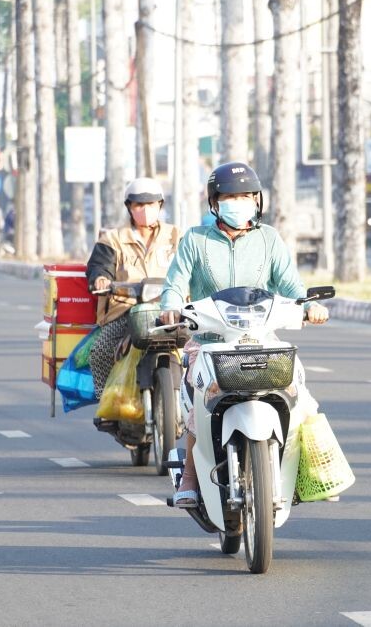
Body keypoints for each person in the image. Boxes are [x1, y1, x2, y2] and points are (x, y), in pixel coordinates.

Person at [158, 161, 329, 508]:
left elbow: (291, 286)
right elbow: (175, 283)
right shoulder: (196, 240)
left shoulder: (269, 239)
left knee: (300, 394)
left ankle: (307, 471)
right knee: (201, 398)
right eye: (230, 197)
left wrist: (309, 306)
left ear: (257, 201)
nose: (240, 203)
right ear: (215, 202)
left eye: (247, 196)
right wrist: (171, 307)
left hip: (261, 341)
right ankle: (190, 477)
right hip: (210, 344)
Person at [85, 178, 181, 400]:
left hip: (171, 310)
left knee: (198, 352)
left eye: (151, 204)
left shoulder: (177, 236)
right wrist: (101, 279)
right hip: (126, 311)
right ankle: (107, 401)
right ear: (129, 207)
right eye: (139, 204)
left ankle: (191, 405)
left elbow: (193, 267)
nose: (145, 210)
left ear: (160, 205)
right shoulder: (112, 239)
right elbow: (99, 267)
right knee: (100, 352)